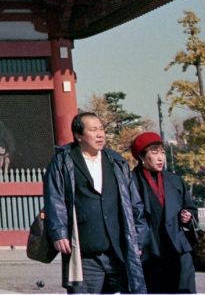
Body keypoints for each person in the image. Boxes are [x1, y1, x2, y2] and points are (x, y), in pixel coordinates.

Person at [43, 111, 148, 293]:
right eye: (93, 130)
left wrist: (137, 240)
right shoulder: (63, 161)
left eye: (101, 129)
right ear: (78, 135)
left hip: (118, 251)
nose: (100, 134)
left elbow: (134, 204)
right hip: (85, 252)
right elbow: (54, 198)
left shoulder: (117, 162)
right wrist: (59, 232)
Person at [129, 132, 196, 293]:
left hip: (177, 249)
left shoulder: (174, 180)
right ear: (142, 156)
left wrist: (188, 216)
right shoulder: (130, 182)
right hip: (149, 251)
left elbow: (190, 207)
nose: (160, 158)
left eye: (162, 152)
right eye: (154, 153)